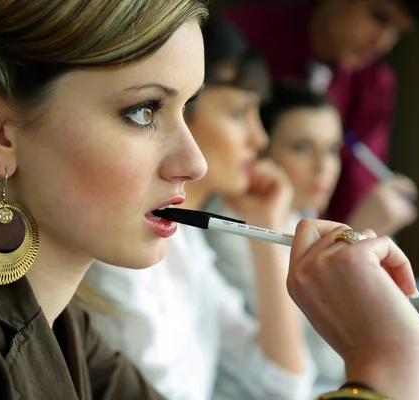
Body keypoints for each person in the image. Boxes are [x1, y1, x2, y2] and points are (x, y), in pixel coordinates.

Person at [0, 1, 419, 400]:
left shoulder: (69, 328)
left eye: (188, 107)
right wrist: (387, 368)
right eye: (144, 110)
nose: (193, 164)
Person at [85, 17, 314, 400]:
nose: (259, 139)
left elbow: (285, 384)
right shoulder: (120, 245)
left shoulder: (186, 246)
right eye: (239, 114)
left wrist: (265, 229)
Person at [221, 0, 419, 235]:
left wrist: (353, 231)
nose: (382, 43)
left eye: (334, 150)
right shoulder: (242, 37)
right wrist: (352, 236)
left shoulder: (375, 84)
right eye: (379, 17)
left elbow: (356, 186)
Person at [204, 83, 346, 387]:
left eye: (333, 149)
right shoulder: (228, 229)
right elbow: (318, 363)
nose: (324, 167)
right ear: (260, 150)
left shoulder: (299, 219)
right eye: (302, 148)